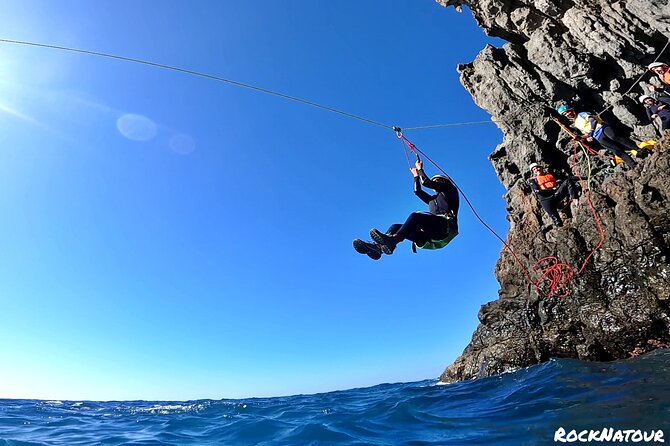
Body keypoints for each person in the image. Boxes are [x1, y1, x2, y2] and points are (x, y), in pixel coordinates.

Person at [352, 159, 459, 259]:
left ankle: (393, 240)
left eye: (437, 180)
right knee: (395, 227)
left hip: (444, 227)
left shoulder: (450, 190)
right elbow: (417, 191)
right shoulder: (432, 199)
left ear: (444, 182)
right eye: (434, 180)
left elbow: (426, 182)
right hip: (428, 235)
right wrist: (416, 176)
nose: (434, 182)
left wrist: (420, 168)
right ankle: (377, 247)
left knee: (415, 216)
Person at [557, 105, 637, 168]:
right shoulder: (576, 124)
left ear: (572, 110)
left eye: (567, 111)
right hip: (598, 136)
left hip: (602, 128)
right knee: (615, 151)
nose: (567, 114)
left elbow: (593, 120)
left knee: (615, 137)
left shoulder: (581, 114)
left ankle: (637, 149)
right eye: (565, 114)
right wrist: (581, 137)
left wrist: (591, 132)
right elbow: (587, 134)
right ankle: (632, 164)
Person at [528, 163, 578, 227]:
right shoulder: (532, 180)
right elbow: (537, 191)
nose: (536, 170)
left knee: (568, 181)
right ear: (533, 172)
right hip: (545, 199)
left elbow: (567, 178)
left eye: (537, 167)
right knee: (556, 220)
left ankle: (574, 198)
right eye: (534, 169)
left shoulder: (550, 175)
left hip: (556, 194)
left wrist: (583, 178)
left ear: (541, 168)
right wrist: (552, 189)